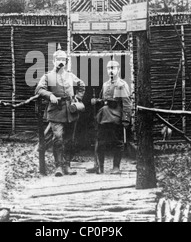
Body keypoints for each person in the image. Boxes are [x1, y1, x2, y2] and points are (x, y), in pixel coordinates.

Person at [35, 47, 86, 177]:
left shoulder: (70, 76)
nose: (61, 62)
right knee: (58, 138)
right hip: (56, 111)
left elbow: (82, 85)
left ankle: (67, 165)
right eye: (58, 59)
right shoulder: (48, 76)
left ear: (66, 61)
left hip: (70, 111)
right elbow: (39, 89)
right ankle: (58, 166)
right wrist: (49, 95)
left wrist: (78, 98)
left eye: (63, 59)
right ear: (53, 61)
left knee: (69, 139)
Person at [87, 60, 132, 174]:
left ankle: (116, 167)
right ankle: (99, 167)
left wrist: (126, 119)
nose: (111, 71)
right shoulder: (105, 84)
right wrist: (97, 101)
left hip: (116, 118)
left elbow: (126, 103)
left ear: (118, 70)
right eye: (109, 68)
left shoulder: (121, 85)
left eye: (113, 68)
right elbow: (103, 101)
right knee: (100, 141)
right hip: (103, 118)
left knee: (117, 142)